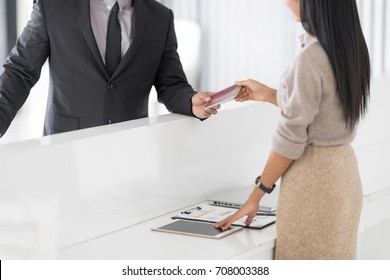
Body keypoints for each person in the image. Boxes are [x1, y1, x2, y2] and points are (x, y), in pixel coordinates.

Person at [216, 0, 370, 260]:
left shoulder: (310, 58)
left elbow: (289, 140)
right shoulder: (349, 47)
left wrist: (256, 194)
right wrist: (268, 95)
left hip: (314, 186)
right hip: (344, 178)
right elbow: (323, 111)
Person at [0, 0, 216, 138]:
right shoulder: (54, 6)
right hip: (66, 148)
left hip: (129, 147)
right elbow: (20, 71)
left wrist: (190, 101)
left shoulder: (160, 17)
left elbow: (171, 84)